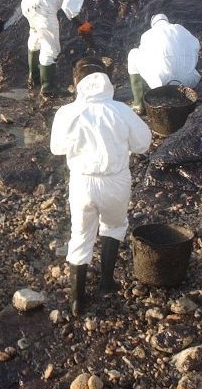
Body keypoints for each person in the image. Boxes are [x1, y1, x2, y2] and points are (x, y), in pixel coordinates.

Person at [50, 59, 152, 315]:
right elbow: (143, 143)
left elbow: (57, 148)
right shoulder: (121, 110)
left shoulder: (66, 112)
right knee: (115, 226)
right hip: (115, 179)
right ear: (107, 82)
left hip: (82, 181)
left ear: (78, 84)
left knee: (81, 236)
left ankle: (77, 299)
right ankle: (106, 283)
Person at [21, 0, 111, 97]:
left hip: (28, 2)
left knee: (35, 40)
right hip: (43, 6)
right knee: (51, 49)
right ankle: (48, 89)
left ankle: (34, 79)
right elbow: (70, 9)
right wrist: (82, 27)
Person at [127, 14, 201, 113]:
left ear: (153, 24)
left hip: (160, 85)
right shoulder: (181, 29)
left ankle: (138, 105)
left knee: (133, 53)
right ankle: (186, 97)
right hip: (188, 83)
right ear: (167, 21)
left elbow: (143, 54)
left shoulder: (148, 34)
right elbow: (196, 45)